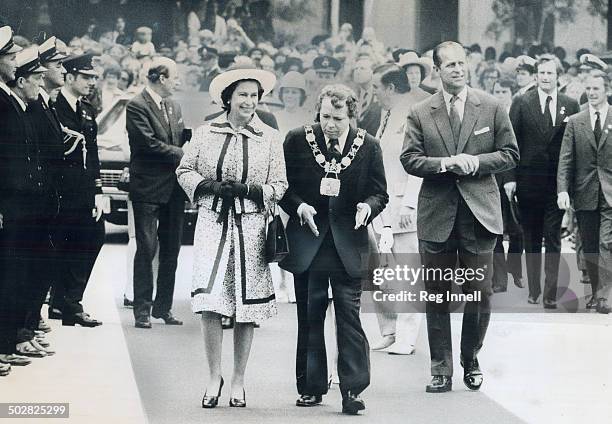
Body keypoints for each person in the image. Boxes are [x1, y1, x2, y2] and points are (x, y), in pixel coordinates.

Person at [401, 41, 519, 393]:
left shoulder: (492, 107)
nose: (457, 69)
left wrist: (477, 162)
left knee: (479, 293)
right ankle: (440, 367)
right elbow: (410, 158)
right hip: (438, 214)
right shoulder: (421, 111)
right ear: (436, 70)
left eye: (461, 63)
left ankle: (471, 357)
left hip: (479, 214)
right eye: (449, 64)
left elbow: (510, 154)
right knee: (437, 293)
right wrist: (444, 164)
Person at [176, 67, 287, 408]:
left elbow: (280, 185)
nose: (249, 102)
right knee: (210, 302)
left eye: (254, 95)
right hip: (212, 221)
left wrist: (255, 190)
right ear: (228, 98)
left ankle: (239, 379)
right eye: (242, 95)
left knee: (246, 306)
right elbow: (183, 169)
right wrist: (207, 186)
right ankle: (214, 375)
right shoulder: (205, 132)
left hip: (252, 227)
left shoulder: (268, 137)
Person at [280, 84, 388, 414]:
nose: (330, 124)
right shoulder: (298, 139)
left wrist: (367, 208)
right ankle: (311, 387)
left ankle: (352, 390)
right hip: (308, 241)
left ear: (350, 115)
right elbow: (282, 186)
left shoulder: (368, 145)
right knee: (310, 316)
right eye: (325, 116)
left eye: (338, 118)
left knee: (349, 318)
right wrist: (298, 207)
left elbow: (379, 193)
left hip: (349, 243)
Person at [505, 56, 579, 308]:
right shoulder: (521, 103)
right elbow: (510, 143)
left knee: (553, 236)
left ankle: (550, 292)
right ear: (536, 76)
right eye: (541, 73)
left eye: (550, 73)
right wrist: (510, 178)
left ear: (558, 75)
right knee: (532, 238)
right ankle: (534, 289)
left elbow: (575, 146)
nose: (545, 77)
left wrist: (570, 184)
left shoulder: (570, 105)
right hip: (528, 182)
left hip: (557, 184)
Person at [369, 63, 425, 355]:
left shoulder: (414, 113)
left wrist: (411, 202)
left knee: (407, 270)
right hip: (381, 203)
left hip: (403, 203)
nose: (373, 93)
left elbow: (417, 162)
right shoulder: (386, 114)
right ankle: (388, 330)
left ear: (390, 88)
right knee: (381, 270)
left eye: (376, 87)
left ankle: (407, 335)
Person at [126, 57, 186, 329]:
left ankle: (164, 307)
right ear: (161, 77)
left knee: (171, 250)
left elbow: (177, 137)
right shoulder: (136, 106)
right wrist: (184, 153)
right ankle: (142, 310)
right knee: (146, 249)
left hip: (173, 189)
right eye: (174, 77)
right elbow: (148, 144)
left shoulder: (173, 106)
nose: (178, 81)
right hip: (148, 188)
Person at [49, 53, 106, 327]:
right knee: (61, 244)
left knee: (94, 236)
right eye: (85, 77)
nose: (91, 82)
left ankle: (69, 300)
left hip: (82, 190)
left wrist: (98, 189)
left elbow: (92, 152)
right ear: (69, 77)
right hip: (59, 191)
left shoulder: (86, 109)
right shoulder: (52, 106)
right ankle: (63, 304)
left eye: (93, 77)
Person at [557, 70, 612, 314]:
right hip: (585, 191)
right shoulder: (576, 121)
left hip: (610, 192)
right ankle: (596, 292)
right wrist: (562, 190)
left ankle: (605, 295)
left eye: (596, 89)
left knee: (606, 242)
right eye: (588, 89)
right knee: (589, 244)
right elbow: (565, 159)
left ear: (607, 90)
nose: (591, 93)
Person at [0, 28, 35, 375]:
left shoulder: (8, 97)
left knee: (11, 274)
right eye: (9, 57)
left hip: (16, 202)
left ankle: (5, 345)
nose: (15, 63)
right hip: (6, 202)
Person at [351, 55, 381, 137]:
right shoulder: (350, 95)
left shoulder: (380, 95)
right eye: (356, 69)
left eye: (362, 68)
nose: (358, 72)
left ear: (373, 72)